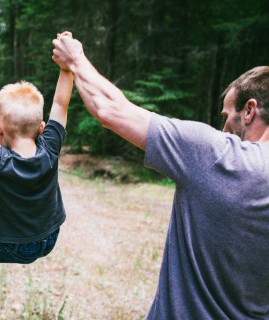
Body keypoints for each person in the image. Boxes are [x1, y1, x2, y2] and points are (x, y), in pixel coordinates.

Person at [52, 33, 269, 319]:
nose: (224, 127)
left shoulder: (217, 154)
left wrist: (75, 59)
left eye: (227, 115)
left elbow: (109, 109)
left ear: (250, 110)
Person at [0, 33, 74, 294]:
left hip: (17, 244)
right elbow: (61, 103)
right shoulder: (50, 146)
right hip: (51, 236)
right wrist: (67, 67)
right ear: (42, 128)